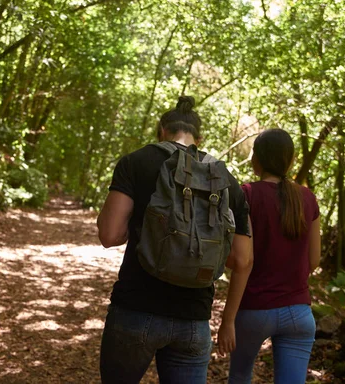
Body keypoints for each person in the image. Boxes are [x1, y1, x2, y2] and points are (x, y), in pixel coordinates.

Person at [97, 96, 253, 384]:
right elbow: (242, 260)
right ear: (199, 137)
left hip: (135, 308)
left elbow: (109, 236)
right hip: (194, 321)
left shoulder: (136, 162)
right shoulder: (225, 180)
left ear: (160, 131)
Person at [228, 128, 321, 384]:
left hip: (254, 310)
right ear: (290, 160)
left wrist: (228, 319)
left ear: (256, 159)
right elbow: (314, 261)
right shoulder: (308, 198)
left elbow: (240, 259)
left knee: (239, 376)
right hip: (300, 314)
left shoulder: (246, 193)